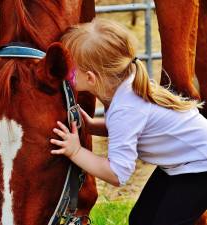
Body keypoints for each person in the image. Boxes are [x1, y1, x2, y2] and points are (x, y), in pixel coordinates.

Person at [50, 18, 207, 225]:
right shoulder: (126, 87)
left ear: (90, 78)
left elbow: (117, 173)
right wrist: (91, 126)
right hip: (185, 163)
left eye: (69, 71)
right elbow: (131, 130)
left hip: (199, 168)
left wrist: (76, 151)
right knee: (140, 220)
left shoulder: (126, 108)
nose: (65, 76)